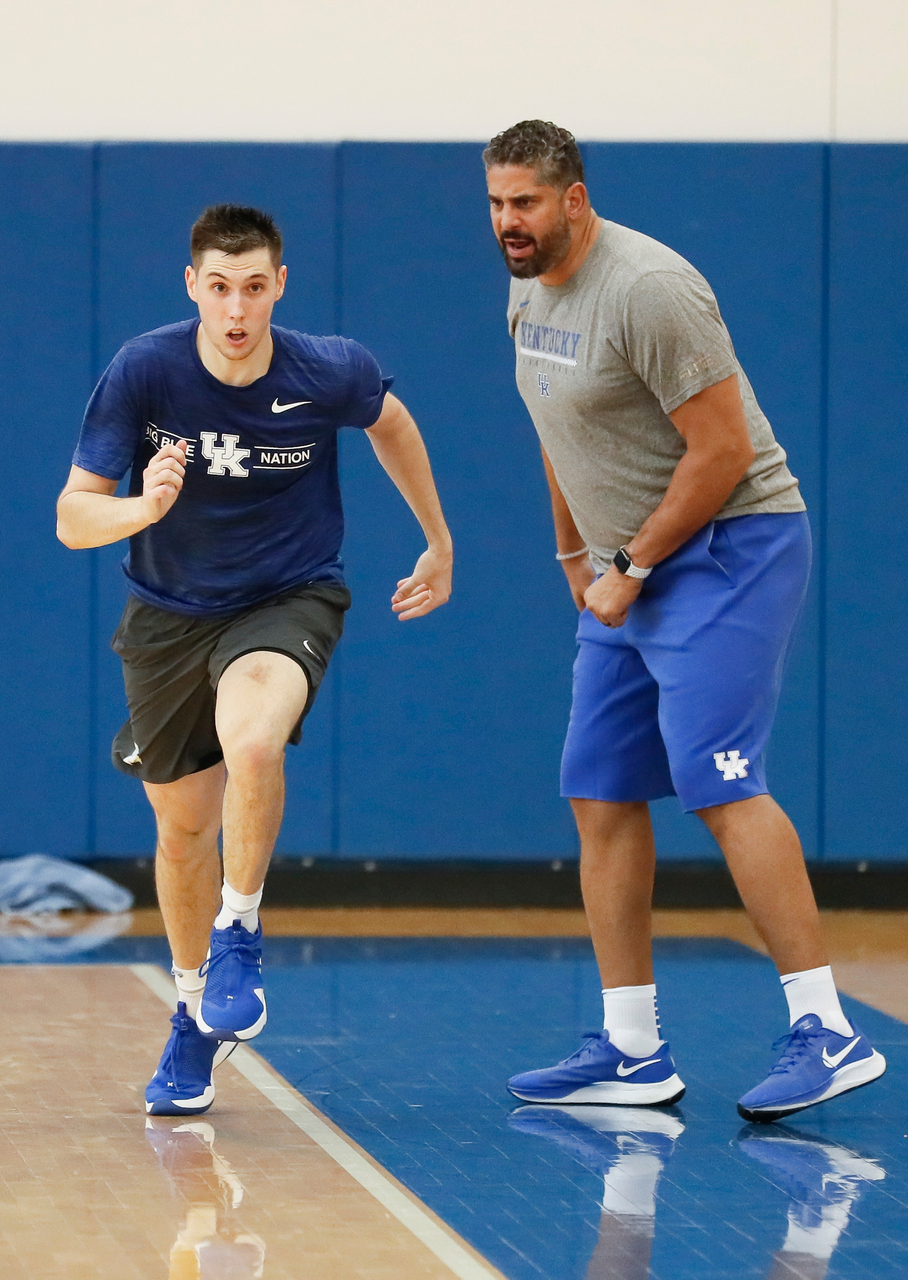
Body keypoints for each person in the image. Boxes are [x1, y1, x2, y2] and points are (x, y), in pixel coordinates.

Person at [483, 121, 884, 1123]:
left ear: (574, 198)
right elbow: (556, 427)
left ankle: (828, 1030)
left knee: (719, 780)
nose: (507, 222)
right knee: (598, 789)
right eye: (495, 203)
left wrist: (631, 565)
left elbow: (722, 451)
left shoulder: (649, 288)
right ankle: (631, 1048)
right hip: (625, 564)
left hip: (728, 548)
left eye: (525, 202)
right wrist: (575, 556)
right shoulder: (525, 290)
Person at [57, 204, 453, 1117]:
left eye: (253, 288)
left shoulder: (327, 369)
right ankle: (193, 1012)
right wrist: (142, 509)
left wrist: (436, 541)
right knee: (182, 831)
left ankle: (240, 929)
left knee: (254, 740)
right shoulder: (144, 370)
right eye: (219, 288)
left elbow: (392, 423)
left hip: (287, 596)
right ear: (192, 287)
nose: (236, 310)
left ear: (279, 286)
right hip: (167, 615)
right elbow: (74, 517)